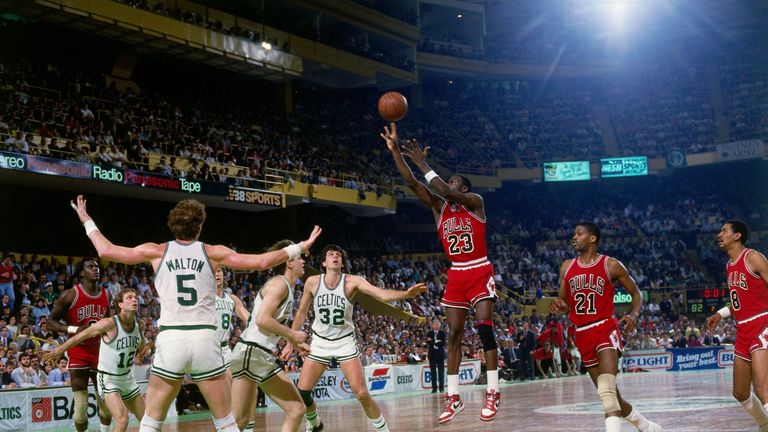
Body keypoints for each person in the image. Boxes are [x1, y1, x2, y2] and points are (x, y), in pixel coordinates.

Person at [70, 195, 322, 432]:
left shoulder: (157, 250)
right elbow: (261, 262)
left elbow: (106, 251)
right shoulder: (212, 252)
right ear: (200, 226)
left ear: (172, 225)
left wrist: (86, 220)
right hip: (205, 340)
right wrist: (300, 246)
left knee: (151, 420)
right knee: (226, 422)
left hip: (172, 340)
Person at [382, 123, 501, 422]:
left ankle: (493, 391)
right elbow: (411, 182)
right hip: (457, 274)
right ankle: (453, 397)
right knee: (454, 335)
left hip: (479, 269)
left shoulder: (476, 203)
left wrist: (422, 162)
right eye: (448, 180)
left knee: (484, 328)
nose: (448, 184)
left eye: (454, 181)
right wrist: (396, 152)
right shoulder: (439, 208)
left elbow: (444, 189)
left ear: (465, 189)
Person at [284, 244, 426, 432]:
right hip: (320, 342)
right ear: (324, 263)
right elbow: (301, 313)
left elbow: (382, 295)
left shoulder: (353, 281)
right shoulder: (312, 282)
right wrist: (291, 341)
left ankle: (383, 430)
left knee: (361, 394)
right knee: (302, 392)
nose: (335, 256)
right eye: (330, 254)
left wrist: (406, 294)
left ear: (342, 263)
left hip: (345, 342)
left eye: (338, 255)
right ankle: (314, 422)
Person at [550, 222, 661, 432]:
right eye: (574, 234)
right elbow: (564, 303)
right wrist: (560, 307)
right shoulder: (566, 267)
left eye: (579, 234)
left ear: (592, 238)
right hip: (582, 334)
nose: (574, 237)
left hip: (605, 329)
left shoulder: (611, 265)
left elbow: (636, 293)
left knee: (607, 392)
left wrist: (634, 314)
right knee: (611, 396)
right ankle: (647, 427)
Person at [230, 240, 312, 432]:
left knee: (296, 409)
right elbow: (262, 319)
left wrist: (293, 342)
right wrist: (292, 334)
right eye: (299, 258)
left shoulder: (287, 287)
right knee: (239, 421)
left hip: (258, 355)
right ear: (289, 262)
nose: (303, 262)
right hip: (251, 353)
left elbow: (269, 324)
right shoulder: (279, 284)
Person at [45, 288, 147, 432]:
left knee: (148, 421)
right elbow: (81, 336)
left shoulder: (140, 325)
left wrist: (144, 352)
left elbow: (141, 348)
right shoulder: (109, 323)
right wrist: (60, 349)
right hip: (109, 379)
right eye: (129, 298)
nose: (134, 300)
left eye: (135, 297)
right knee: (122, 419)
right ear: (120, 304)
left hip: (127, 378)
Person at [706, 220, 768, 431]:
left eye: (724, 231)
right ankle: (764, 424)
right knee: (740, 393)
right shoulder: (729, 265)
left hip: (762, 322)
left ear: (737, 235)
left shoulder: (753, 257)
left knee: (762, 389)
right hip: (743, 328)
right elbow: (739, 300)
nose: (719, 234)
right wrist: (721, 314)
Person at [47, 257, 112, 432]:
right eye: (91, 267)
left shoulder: (107, 294)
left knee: (106, 404)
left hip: (100, 352)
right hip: (78, 352)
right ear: (82, 273)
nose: (96, 269)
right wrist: (75, 329)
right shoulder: (70, 295)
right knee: (81, 406)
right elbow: (50, 323)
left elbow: (109, 322)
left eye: (97, 267)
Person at [427, 318, 446, 393]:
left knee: (441, 372)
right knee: (433, 373)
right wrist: (437, 341)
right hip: (432, 355)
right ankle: (434, 388)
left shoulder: (442, 333)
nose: (437, 325)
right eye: (435, 324)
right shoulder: (429, 333)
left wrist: (433, 341)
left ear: (440, 325)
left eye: (438, 324)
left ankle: (441, 388)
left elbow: (443, 343)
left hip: (440, 355)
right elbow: (428, 342)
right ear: (432, 325)